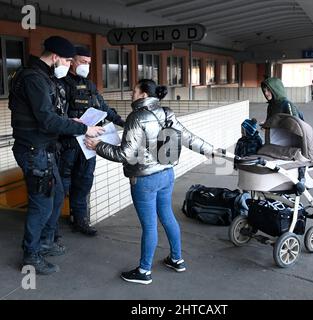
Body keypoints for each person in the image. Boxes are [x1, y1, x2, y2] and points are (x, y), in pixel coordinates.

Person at [85, 79, 224, 285]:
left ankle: (144, 271)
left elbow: (124, 154)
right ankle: (177, 259)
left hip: (144, 180)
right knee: (167, 216)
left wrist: (97, 146)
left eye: (134, 90)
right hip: (167, 174)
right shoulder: (167, 113)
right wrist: (211, 151)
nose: (131, 94)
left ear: (143, 94)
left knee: (150, 226)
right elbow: (188, 137)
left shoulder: (137, 117)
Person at [8, 36, 104, 275]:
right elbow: (46, 119)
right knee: (41, 204)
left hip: (44, 149)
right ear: (55, 57)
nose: (69, 64)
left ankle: (45, 242)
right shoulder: (33, 79)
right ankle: (31, 255)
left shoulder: (42, 76)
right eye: (68, 60)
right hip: (34, 150)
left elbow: (49, 115)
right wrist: (83, 128)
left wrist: (71, 121)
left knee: (58, 193)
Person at [58, 46, 125, 236]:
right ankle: (51, 231)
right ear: (72, 61)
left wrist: (122, 122)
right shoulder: (60, 83)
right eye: (82, 62)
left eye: (89, 63)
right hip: (67, 144)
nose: (86, 66)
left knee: (84, 182)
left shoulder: (89, 85)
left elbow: (103, 107)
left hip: (88, 145)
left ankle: (80, 220)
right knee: (62, 186)